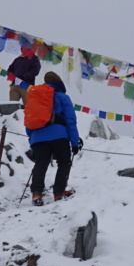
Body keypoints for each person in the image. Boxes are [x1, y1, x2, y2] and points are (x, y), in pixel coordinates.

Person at [27, 71, 81, 206]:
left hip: (38, 136)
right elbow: (70, 120)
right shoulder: (63, 97)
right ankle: (59, 192)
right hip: (59, 135)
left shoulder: (36, 97)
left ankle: (37, 193)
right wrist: (75, 142)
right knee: (64, 162)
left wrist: (32, 139)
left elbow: (29, 120)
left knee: (41, 164)